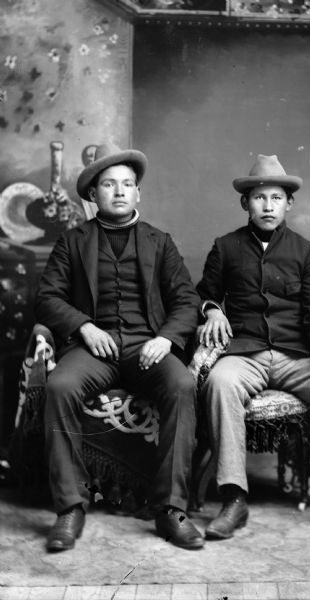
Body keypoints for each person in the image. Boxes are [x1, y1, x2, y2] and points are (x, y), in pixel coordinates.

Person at [197, 154, 310, 540]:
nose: (267, 205)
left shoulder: (305, 251)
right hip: (245, 353)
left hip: (297, 356)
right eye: (259, 197)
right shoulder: (225, 248)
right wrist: (212, 311)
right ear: (245, 203)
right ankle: (233, 497)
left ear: (288, 204)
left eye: (276, 198)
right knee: (219, 383)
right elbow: (204, 295)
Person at [35, 142, 205, 552]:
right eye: (109, 185)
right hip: (94, 350)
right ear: (93, 195)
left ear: (138, 193)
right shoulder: (73, 241)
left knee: (182, 387)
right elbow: (47, 297)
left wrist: (164, 339)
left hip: (149, 349)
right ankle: (70, 507)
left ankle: (171, 510)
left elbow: (186, 301)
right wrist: (85, 326)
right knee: (59, 386)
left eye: (127, 184)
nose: (119, 191)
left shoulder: (159, 242)